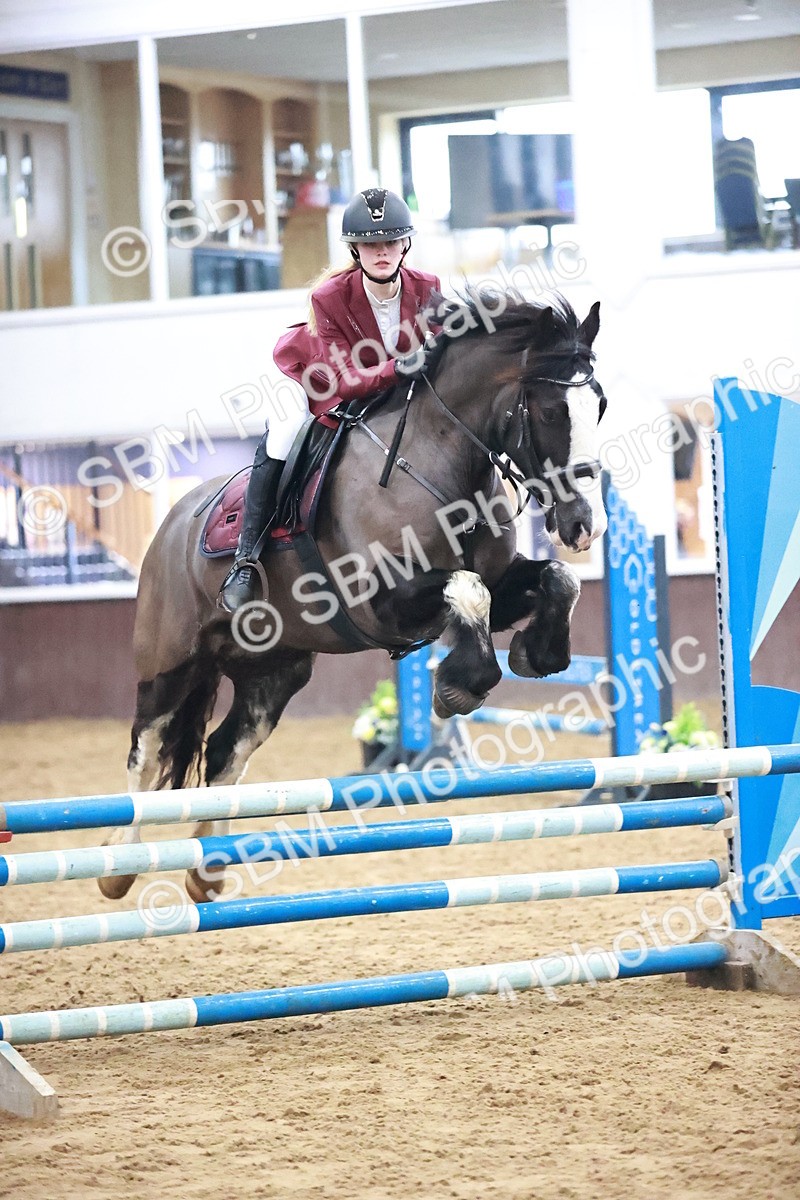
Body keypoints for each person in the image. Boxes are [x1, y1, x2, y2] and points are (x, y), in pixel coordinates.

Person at [217, 187, 442, 613]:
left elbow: (446, 350)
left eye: (391, 241)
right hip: (311, 377)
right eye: (371, 244)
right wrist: (400, 368)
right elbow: (344, 379)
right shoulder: (329, 297)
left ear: (405, 245)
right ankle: (246, 561)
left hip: (382, 386)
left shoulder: (428, 288)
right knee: (285, 432)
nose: (382, 251)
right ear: (355, 250)